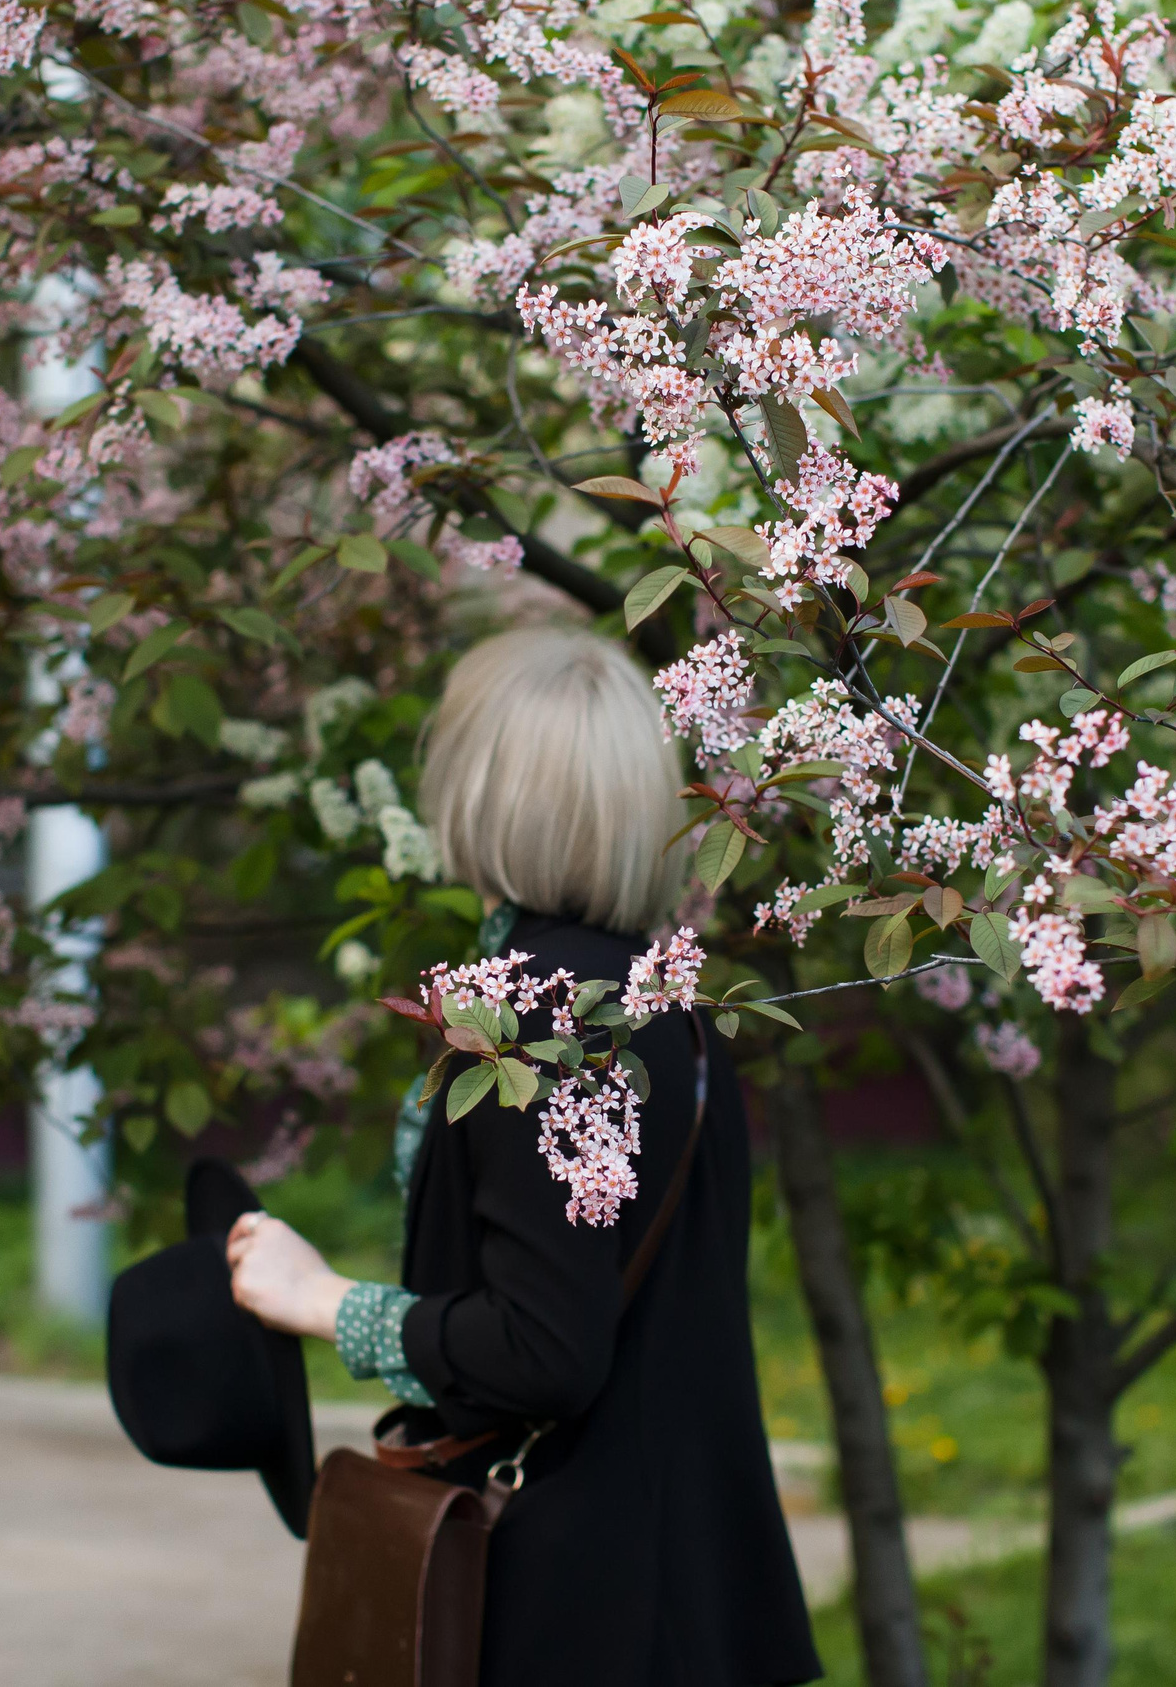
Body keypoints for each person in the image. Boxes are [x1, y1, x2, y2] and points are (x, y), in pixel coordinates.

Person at [226, 626, 822, 1687]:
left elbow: (547, 1349)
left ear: (477, 790)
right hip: (693, 1595)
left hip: (580, 1611)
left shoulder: (529, 1019)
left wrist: (325, 1301)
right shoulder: (671, 1004)